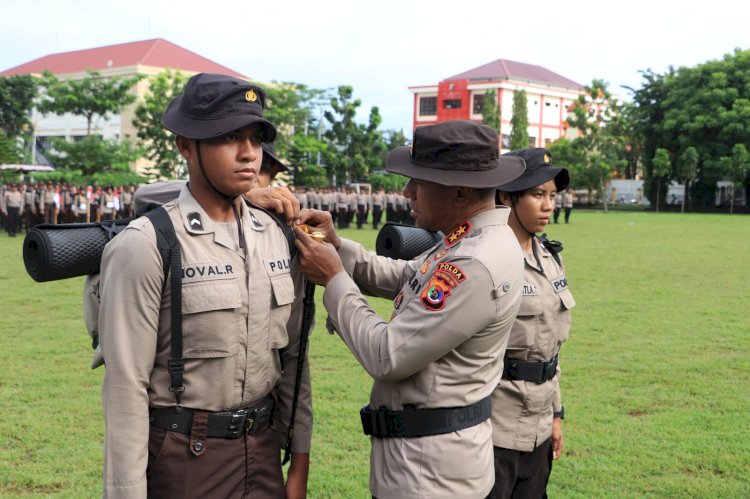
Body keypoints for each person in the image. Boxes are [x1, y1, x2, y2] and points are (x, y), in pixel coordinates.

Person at [96, 73, 311, 498]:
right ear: (185, 145)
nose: (249, 153)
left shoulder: (278, 235)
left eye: (256, 137)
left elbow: (294, 362)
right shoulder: (148, 244)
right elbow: (125, 390)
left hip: (263, 451)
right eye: (229, 136)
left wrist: (299, 463)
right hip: (184, 459)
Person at [295, 119, 526, 498]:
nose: (406, 193)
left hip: (430, 477)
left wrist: (334, 279)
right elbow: (408, 278)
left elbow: (389, 354)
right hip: (426, 463)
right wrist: (336, 246)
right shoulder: (469, 238)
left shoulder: (474, 261)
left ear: (460, 193)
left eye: (418, 183)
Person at [490, 148, 575, 498]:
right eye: (537, 194)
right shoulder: (489, 261)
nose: (548, 205)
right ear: (506, 197)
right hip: (493, 428)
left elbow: (549, 350)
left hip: (538, 427)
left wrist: (555, 416)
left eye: (553, 195)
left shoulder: (550, 259)